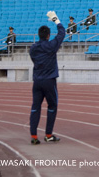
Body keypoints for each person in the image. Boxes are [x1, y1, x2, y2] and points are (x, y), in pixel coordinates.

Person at [29, 11, 65, 144]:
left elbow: (33, 59)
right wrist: (56, 20)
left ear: (39, 35)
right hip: (49, 80)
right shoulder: (51, 46)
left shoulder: (33, 48)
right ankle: (48, 134)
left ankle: (33, 136)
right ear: (48, 36)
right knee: (52, 106)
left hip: (37, 80)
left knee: (35, 107)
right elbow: (62, 34)